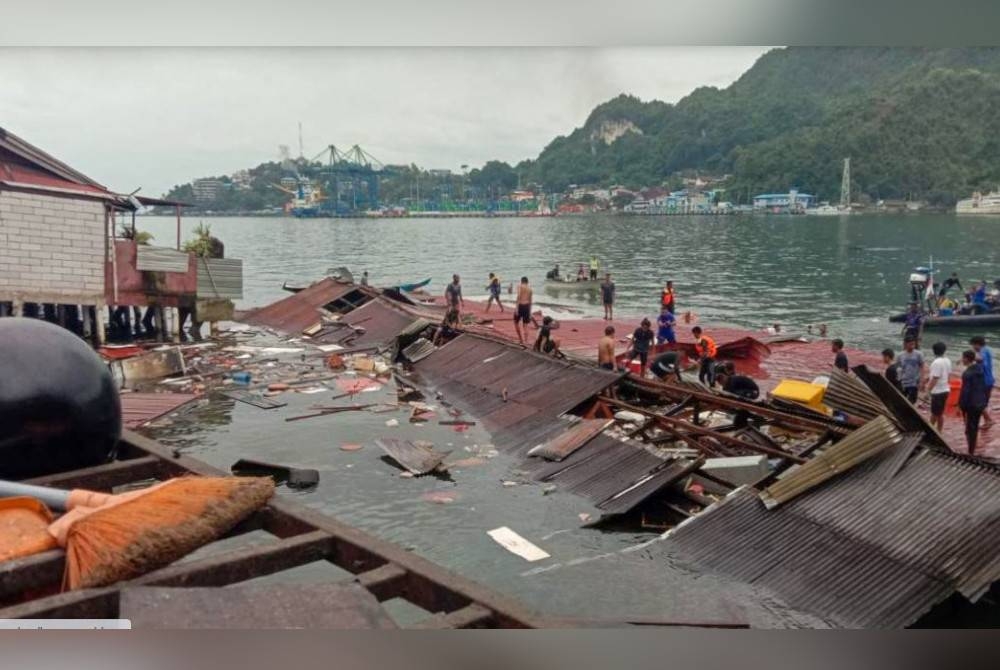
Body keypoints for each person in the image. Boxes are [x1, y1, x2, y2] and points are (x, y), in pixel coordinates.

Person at [959, 349, 990, 455]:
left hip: (970, 404)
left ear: (967, 359)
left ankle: (970, 451)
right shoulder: (980, 368)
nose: (961, 360)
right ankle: (972, 447)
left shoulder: (967, 374)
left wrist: (961, 406)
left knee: (969, 429)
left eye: (963, 358)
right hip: (980, 402)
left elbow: (965, 391)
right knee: (975, 426)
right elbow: (980, 361)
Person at [924, 341, 952, 432]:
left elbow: (935, 378)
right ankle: (936, 430)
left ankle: (933, 430)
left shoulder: (936, 362)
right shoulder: (947, 360)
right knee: (938, 412)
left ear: (934, 351)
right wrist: (927, 378)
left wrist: (928, 391)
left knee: (936, 414)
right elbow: (948, 375)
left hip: (938, 392)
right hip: (945, 389)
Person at [970, 335, 995, 429]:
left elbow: (981, 360)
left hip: (984, 381)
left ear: (977, 344)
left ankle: (989, 420)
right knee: (983, 402)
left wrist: (969, 356)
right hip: (989, 380)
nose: (972, 348)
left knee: (979, 402)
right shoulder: (987, 349)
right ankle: (987, 420)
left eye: (973, 345)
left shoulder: (982, 351)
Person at [897, 337, 924, 403]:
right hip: (903, 382)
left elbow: (922, 367)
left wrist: (921, 381)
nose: (912, 346)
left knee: (912, 401)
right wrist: (898, 381)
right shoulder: (900, 355)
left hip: (914, 382)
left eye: (913, 344)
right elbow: (898, 369)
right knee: (902, 400)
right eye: (910, 344)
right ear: (905, 344)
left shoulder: (919, 354)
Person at [513, 276, 533, 345]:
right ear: (527, 282)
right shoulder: (530, 289)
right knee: (526, 325)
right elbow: (530, 301)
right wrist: (530, 312)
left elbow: (518, 296)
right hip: (527, 307)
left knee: (516, 323)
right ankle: (526, 341)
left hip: (520, 306)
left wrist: (516, 308)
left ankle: (520, 339)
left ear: (521, 281)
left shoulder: (520, 286)